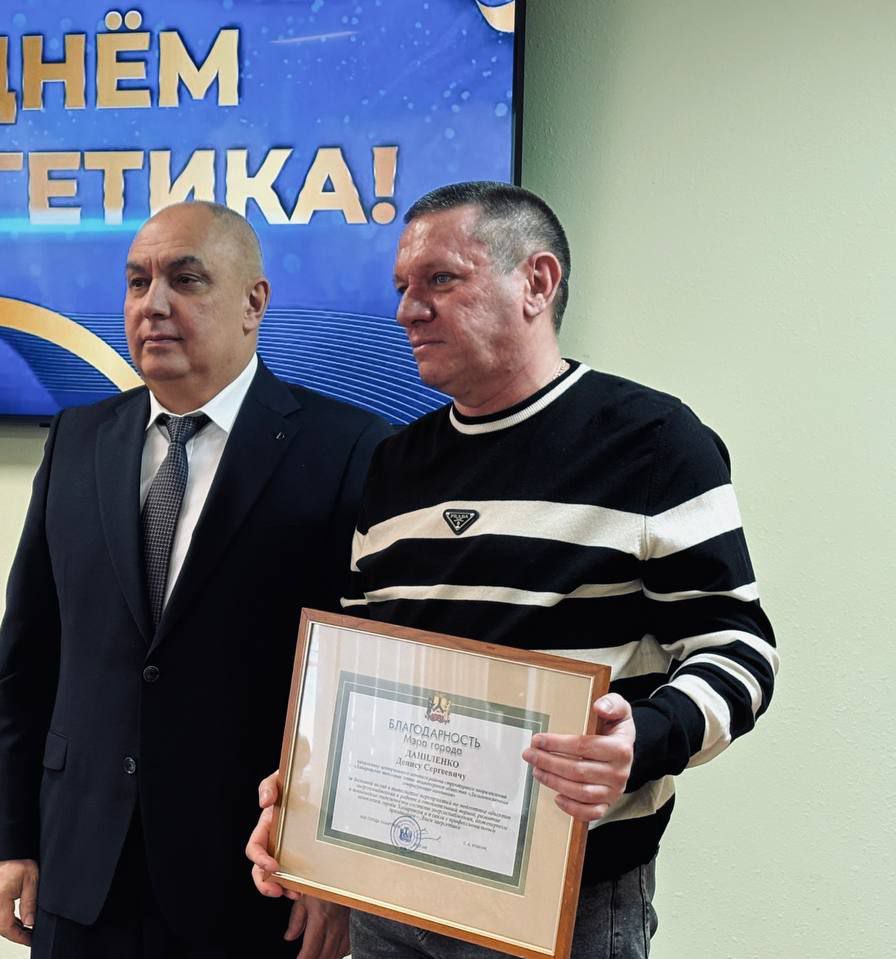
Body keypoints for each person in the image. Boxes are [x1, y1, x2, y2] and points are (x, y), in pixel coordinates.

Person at [246, 182, 778, 958]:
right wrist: (304, 791)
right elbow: (357, 669)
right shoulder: (393, 464)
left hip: (566, 903)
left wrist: (643, 738)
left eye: (440, 279)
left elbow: (740, 651)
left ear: (536, 282)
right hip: (389, 892)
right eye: (401, 287)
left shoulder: (656, 443)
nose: (407, 311)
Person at [0, 201, 391, 959]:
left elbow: (367, 682)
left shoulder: (349, 449)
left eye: (185, 280)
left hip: (253, 881)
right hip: (80, 869)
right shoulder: (78, 441)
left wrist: (337, 872)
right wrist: (6, 838)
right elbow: (25, 659)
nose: (153, 304)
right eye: (137, 282)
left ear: (253, 303)